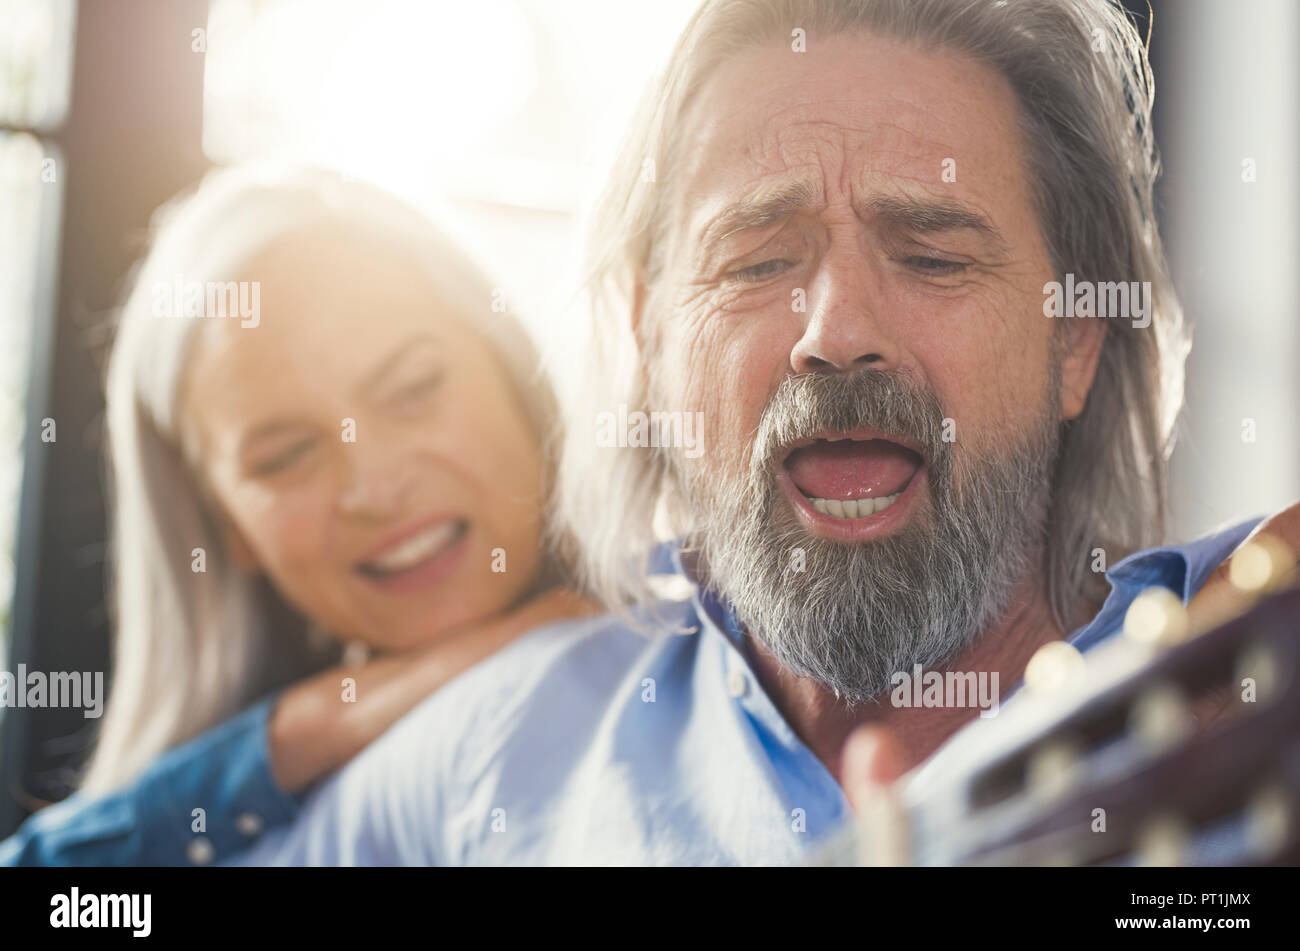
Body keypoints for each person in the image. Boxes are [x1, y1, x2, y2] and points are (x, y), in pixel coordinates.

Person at [226, 0, 1299, 867]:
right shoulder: (502, 746)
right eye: (754, 263)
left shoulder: (1248, 665)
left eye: (931, 256)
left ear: (1073, 344)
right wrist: (293, 737)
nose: (835, 334)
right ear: (649, 339)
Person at [0, 164, 591, 865]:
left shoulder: (711, 643)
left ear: (515, 376)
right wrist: (296, 735)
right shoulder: (253, 823)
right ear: (225, 528)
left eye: (412, 389)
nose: (373, 487)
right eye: (285, 457)